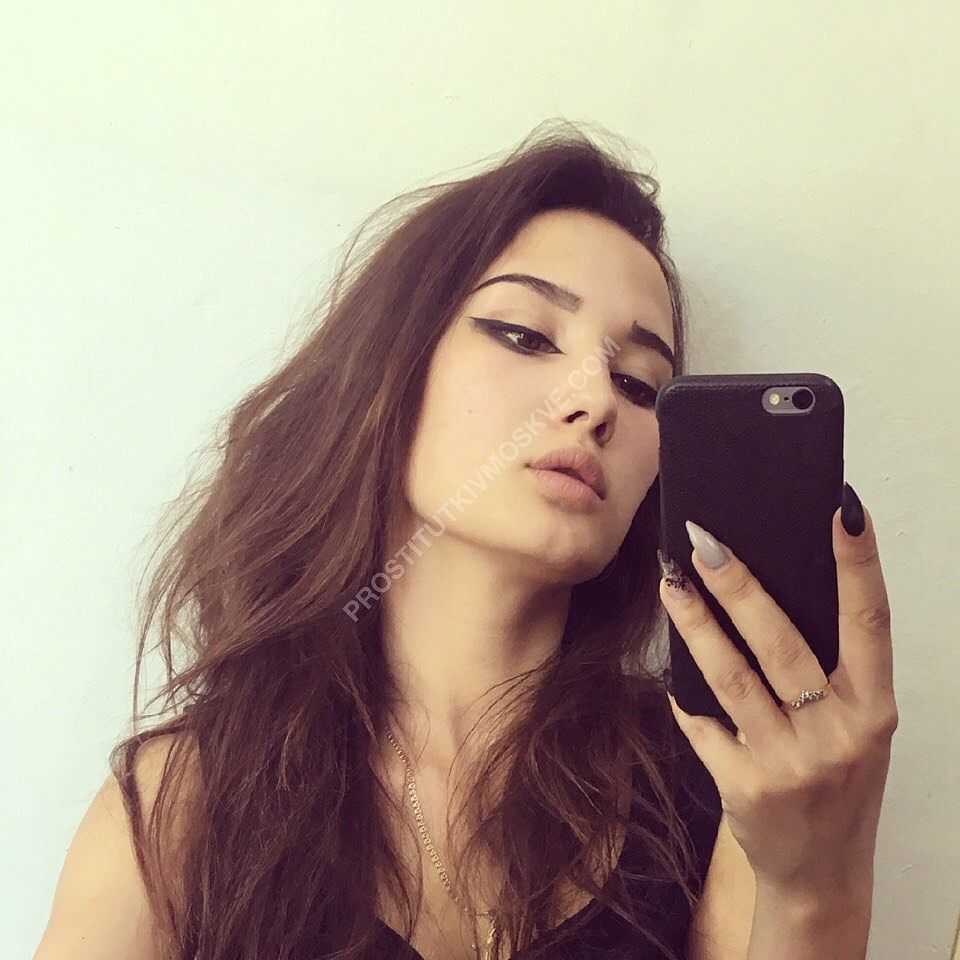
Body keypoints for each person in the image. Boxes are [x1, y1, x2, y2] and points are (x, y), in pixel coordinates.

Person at [33, 119, 895, 960]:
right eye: (526, 335)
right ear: (390, 372)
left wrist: (817, 880)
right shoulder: (186, 803)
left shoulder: (725, 776)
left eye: (641, 385)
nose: (595, 400)